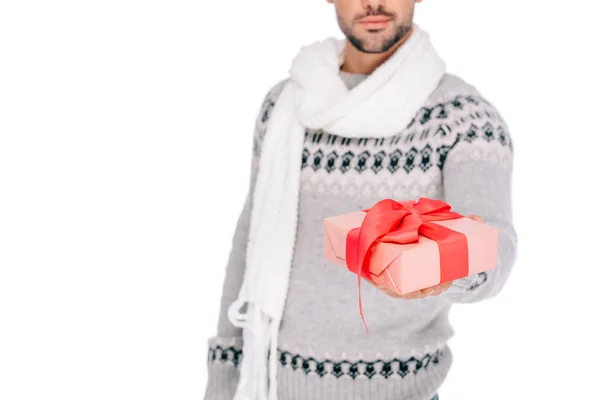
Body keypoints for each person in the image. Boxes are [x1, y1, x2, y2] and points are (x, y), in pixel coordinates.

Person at [203, 1, 517, 399]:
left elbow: (496, 243)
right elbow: (249, 243)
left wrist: (450, 265)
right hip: (273, 385)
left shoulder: (463, 119)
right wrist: (222, 376)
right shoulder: (284, 107)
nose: (374, 2)